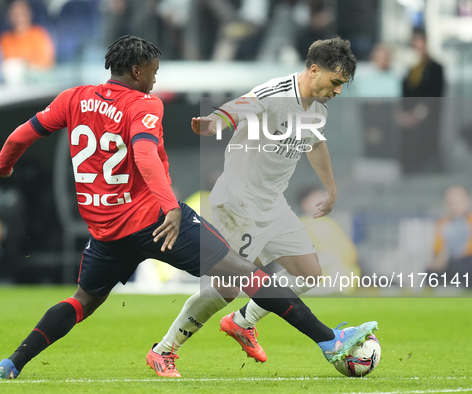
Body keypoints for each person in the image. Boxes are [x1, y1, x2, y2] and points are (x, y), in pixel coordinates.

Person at [0, 35, 377, 380]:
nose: (156, 78)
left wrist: (2, 164)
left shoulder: (74, 98)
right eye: (153, 71)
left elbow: (25, 132)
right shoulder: (145, 104)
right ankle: (328, 341)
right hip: (157, 220)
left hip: (106, 231)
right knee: (247, 276)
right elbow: (145, 154)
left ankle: (11, 363)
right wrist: (171, 206)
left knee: (81, 302)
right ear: (137, 71)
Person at [150, 37, 377, 373]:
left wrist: (330, 189)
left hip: (273, 205)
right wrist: (212, 123)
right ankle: (164, 350)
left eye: (342, 85)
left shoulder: (317, 108)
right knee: (227, 288)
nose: (338, 91)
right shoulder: (276, 93)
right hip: (238, 203)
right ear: (314, 70)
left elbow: (315, 145)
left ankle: (243, 321)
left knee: (309, 273)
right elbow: (236, 109)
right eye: (335, 82)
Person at [396, 27, 444, 174]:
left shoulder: (436, 68)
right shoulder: (409, 69)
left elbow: (434, 97)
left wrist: (417, 115)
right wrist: (402, 114)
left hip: (426, 120)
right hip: (407, 116)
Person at [429, 186, 472, 283]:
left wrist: (455, 257)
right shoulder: (442, 223)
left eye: (457, 202)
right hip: (449, 263)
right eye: (450, 203)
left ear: (466, 201)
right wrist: (440, 259)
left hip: (469, 263)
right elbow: (438, 248)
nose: (454, 206)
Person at [0, 0, 55, 72]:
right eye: (15, 13)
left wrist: (25, 64)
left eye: (22, 12)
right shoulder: (4, 39)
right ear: (9, 16)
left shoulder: (39, 34)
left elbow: (47, 63)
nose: (19, 17)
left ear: (29, 13)